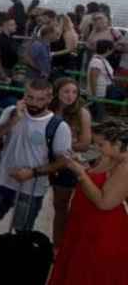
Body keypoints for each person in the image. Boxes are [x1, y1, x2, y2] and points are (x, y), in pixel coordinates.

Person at [45, 121, 128, 285]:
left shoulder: (126, 167)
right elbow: (95, 175)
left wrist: (80, 174)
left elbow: (104, 202)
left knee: (92, 272)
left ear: (118, 144)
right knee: (78, 266)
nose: (99, 149)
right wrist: (80, 166)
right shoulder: (112, 157)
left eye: (101, 145)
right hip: (85, 224)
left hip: (105, 229)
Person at [0, 78, 73, 249]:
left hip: (32, 188)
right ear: (24, 96)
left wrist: (32, 173)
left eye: (40, 99)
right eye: (30, 97)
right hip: (1, 180)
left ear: (50, 99)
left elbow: (63, 161)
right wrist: (13, 121)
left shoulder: (59, 126)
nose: (34, 103)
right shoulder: (11, 111)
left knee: (22, 230)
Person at [48, 77, 93, 248]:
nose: (70, 96)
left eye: (74, 92)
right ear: (57, 92)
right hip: (43, 159)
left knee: (60, 205)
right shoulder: (48, 109)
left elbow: (85, 144)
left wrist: (59, 142)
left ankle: (57, 245)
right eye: (66, 91)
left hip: (67, 164)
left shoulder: (82, 113)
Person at [88, 40, 119, 121]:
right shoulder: (97, 61)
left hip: (100, 92)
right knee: (98, 115)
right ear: (108, 49)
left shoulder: (100, 59)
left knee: (98, 114)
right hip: (98, 93)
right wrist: (94, 95)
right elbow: (93, 78)